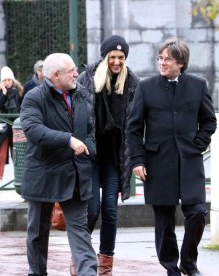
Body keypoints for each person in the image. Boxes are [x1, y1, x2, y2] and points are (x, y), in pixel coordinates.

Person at [127, 38, 217, 276]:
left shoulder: (198, 86)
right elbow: (133, 128)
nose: (162, 62)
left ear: (181, 63)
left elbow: (209, 121)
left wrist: (199, 143)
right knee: (164, 221)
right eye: (160, 58)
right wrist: (137, 160)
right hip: (158, 163)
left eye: (168, 59)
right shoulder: (146, 88)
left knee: (198, 212)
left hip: (190, 161)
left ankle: (188, 262)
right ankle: (170, 267)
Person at [20, 53, 98, 276]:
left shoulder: (82, 94)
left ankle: (88, 273)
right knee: (37, 233)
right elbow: (33, 130)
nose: (76, 73)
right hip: (43, 174)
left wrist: (90, 149)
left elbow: (90, 129)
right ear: (55, 75)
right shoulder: (34, 97)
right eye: (71, 70)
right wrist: (68, 140)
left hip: (74, 174)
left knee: (80, 232)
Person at [77, 34, 139, 276]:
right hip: (91, 155)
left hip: (114, 158)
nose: (116, 61)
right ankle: (82, 256)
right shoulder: (88, 77)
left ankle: (105, 265)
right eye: (112, 57)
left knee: (110, 211)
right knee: (91, 210)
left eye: (121, 57)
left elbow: (135, 124)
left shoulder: (132, 82)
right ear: (105, 57)